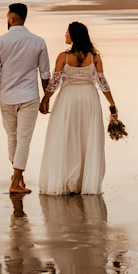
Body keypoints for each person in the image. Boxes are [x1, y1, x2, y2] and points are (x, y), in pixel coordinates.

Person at [36, 21, 119, 196]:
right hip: (89, 98)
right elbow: (102, 82)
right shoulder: (94, 57)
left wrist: (45, 100)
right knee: (86, 136)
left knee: (67, 135)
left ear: (73, 36)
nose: (65, 35)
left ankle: (67, 180)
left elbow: (54, 83)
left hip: (68, 98)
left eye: (67, 32)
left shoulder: (63, 57)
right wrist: (112, 104)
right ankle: (84, 181)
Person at [0, 2, 52, 194]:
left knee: (12, 137)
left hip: (6, 96)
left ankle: (16, 178)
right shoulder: (38, 41)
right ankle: (17, 179)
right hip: (29, 96)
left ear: (11, 18)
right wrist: (46, 98)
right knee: (24, 139)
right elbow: (45, 73)